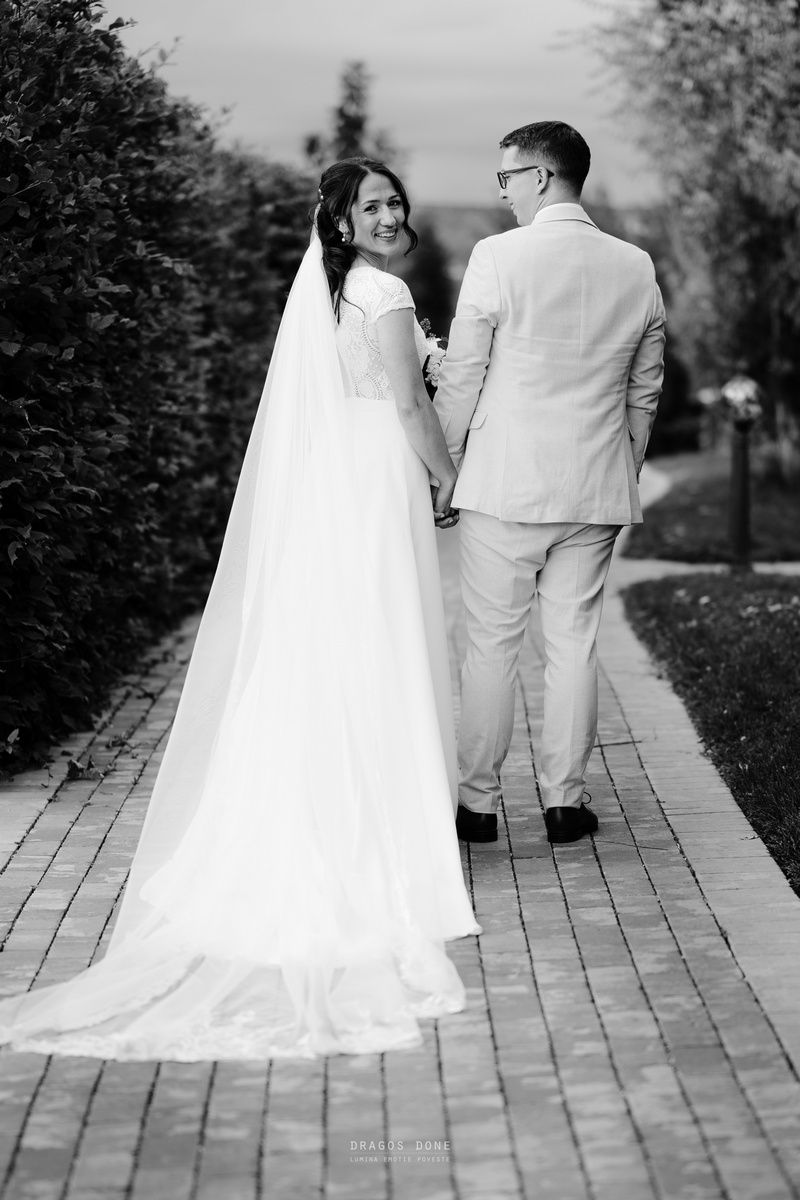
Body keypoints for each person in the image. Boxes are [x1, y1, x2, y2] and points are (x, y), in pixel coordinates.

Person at [0, 158, 479, 1060]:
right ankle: (390, 825)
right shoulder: (383, 295)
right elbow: (411, 406)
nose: (390, 215)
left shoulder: (329, 294)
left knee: (347, 637)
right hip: (378, 479)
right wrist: (450, 478)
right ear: (340, 222)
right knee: (384, 635)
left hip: (341, 480)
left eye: (395, 202)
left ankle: (349, 801)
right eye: (372, 205)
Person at [433, 121, 666, 846]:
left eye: (507, 177)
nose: (503, 192)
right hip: (593, 487)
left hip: (504, 485)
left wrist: (444, 467)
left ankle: (478, 805)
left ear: (540, 176)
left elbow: (464, 373)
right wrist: (623, 469)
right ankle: (565, 803)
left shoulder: (497, 257)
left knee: (491, 646)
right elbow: (644, 391)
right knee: (573, 643)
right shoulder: (636, 265)